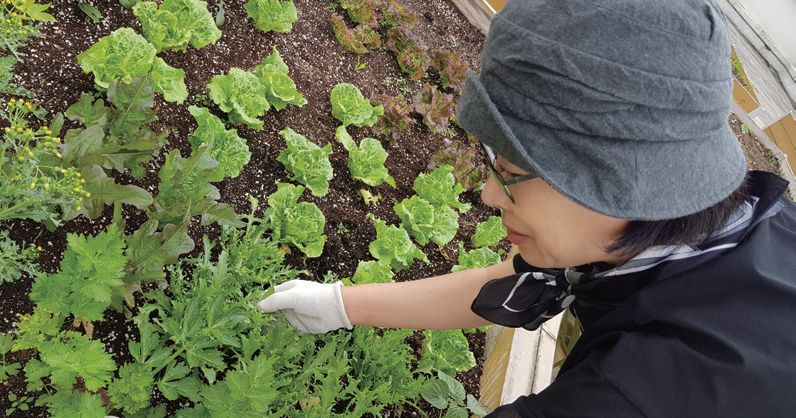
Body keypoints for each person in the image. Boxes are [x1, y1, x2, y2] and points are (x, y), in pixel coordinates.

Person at [258, 0, 796, 415]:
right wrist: (344, 304)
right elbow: (523, 285)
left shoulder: (637, 394)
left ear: (620, 184)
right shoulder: (736, 226)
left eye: (513, 174)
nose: (490, 196)